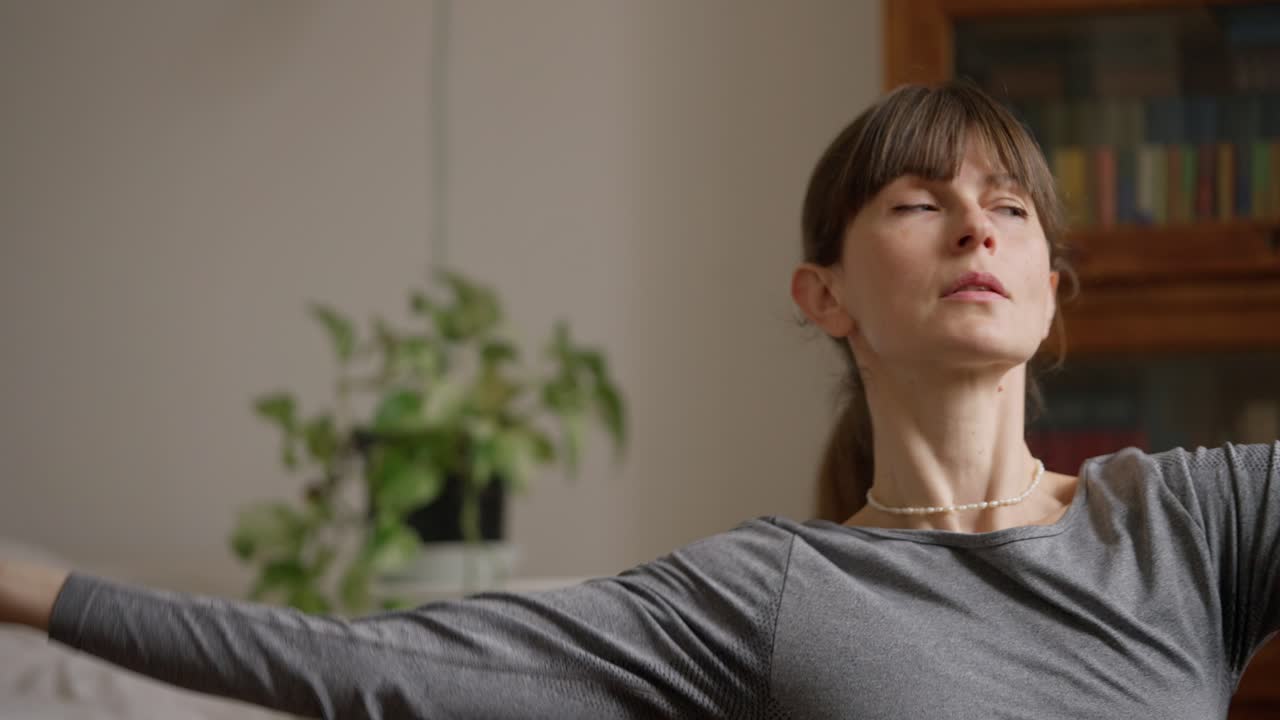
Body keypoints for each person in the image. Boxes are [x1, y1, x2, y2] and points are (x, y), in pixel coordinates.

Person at [2, 80, 1277, 719]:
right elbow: (366, 668)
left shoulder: (1190, 524)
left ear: (1051, 292)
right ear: (821, 295)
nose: (970, 228)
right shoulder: (770, 597)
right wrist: (25, 586)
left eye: (1006, 207)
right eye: (914, 201)